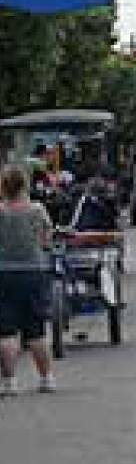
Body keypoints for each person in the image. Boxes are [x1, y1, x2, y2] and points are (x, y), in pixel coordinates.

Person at [0, 165, 56, 395]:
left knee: (6, 332)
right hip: (33, 272)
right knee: (36, 331)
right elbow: (46, 239)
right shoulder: (37, 209)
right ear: (25, 185)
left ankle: (9, 383)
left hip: (4, 273)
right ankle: (46, 378)